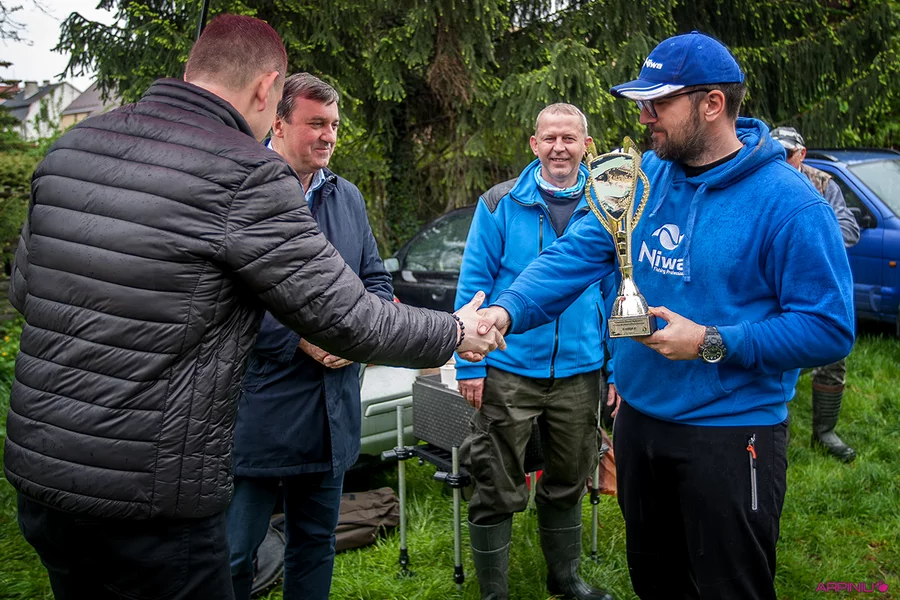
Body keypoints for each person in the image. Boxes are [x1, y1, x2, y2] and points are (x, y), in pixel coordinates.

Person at [4, 15, 503, 600]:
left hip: (45, 473)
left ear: (193, 69)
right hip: (153, 488)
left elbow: (25, 291)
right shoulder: (244, 171)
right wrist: (455, 330)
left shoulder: (73, 146)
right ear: (268, 90)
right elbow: (349, 317)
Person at [473, 32, 855, 599]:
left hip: (732, 433)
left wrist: (710, 341)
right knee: (655, 582)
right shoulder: (643, 177)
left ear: (712, 103)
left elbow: (829, 327)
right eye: (642, 102)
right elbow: (576, 254)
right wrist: (505, 311)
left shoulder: (790, 202)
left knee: (728, 588)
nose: (644, 116)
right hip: (639, 424)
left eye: (659, 103)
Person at [224, 73, 392, 600]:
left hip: (330, 412)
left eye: (334, 125)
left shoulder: (347, 198)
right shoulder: (240, 191)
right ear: (278, 123)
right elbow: (222, 296)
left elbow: (376, 282)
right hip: (257, 409)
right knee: (233, 552)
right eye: (315, 123)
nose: (328, 136)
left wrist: (356, 337)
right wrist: (299, 336)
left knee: (315, 544)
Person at [456, 103, 616, 600]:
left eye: (569, 138)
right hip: (509, 366)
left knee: (569, 478)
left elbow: (616, 291)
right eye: (549, 138)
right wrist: (469, 363)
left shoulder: (611, 202)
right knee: (495, 481)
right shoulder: (499, 202)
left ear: (586, 145)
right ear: (534, 144)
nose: (558, 148)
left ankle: (565, 582)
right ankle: (494, 594)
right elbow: (474, 285)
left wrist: (615, 368)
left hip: (581, 370)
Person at [770, 125, 860, 462]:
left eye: (788, 153)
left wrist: (807, 236)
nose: (782, 158)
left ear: (802, 154)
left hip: (814, 286)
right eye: (777, 152)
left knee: (832, 357)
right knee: (771, 352)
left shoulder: (822, 183)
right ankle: (772, 428)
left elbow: (850, 229)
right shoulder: (761, 180)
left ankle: (825, 432)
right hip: (769, 289)